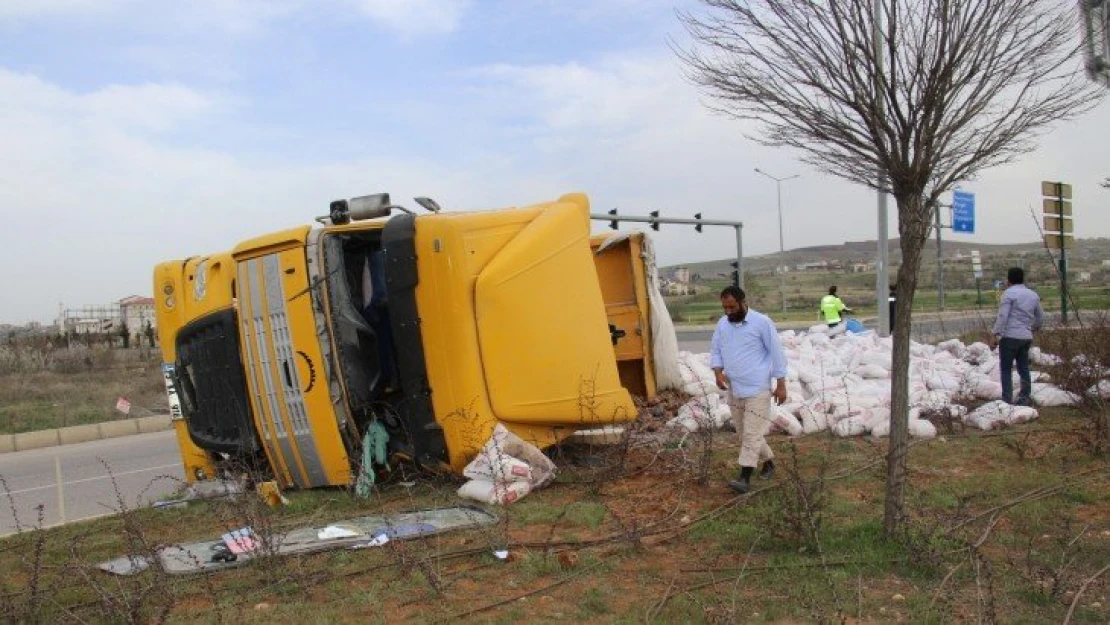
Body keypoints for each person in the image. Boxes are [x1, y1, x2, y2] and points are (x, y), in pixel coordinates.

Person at [711, 286, 788, 494]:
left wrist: (781, 384)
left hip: (758, 389)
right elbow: (716, 350)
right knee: (744, 434)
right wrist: (717, 373)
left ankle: (744, 477)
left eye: (732, 307)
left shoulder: (762, 322)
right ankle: (769, 462)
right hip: (734, 388)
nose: (728, 312)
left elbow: (777, 353)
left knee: (752, 433)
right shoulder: (722, 324)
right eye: (724, 307)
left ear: (743, 302)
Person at [991, 267, 1043, 406]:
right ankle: (1024, 396)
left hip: (1009, 336)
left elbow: (1003, 316)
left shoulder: (1008, 294)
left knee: (1006, 368)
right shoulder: (1033, 295)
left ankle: (1007, 399)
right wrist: (1032, 329)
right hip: (1026, 336)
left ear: (1008, 281)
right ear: (1023, 279)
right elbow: (1040, 317)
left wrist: (996, 333)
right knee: (1023, 367)